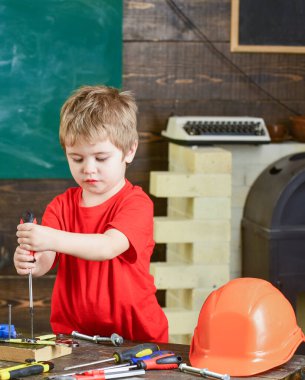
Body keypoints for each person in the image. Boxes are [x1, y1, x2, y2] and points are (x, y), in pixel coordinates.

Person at [13, 85, 169, 343]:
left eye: (101, 158)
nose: (89, 169)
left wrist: (50, 238)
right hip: (76, 336)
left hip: (136, 337)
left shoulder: (136, 203)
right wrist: (30, 259)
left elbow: (108, 246)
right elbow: (45, 261)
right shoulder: (61, 206)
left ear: (129, 151)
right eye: (77, 159)